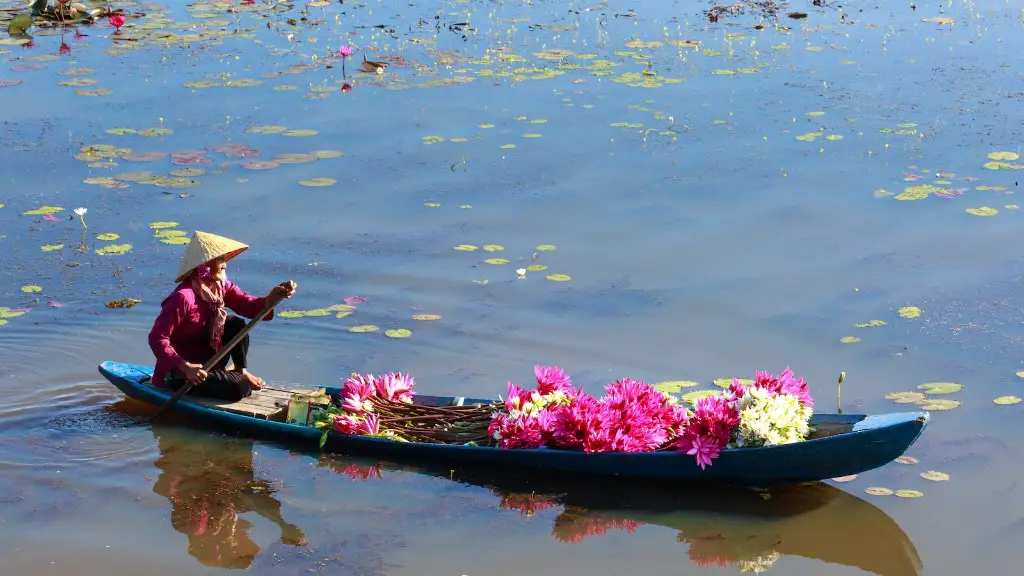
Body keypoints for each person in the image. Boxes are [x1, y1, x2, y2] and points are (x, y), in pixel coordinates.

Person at [148, 230, 297, 402]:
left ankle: (240, 370)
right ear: (203, 265)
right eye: (220, 259)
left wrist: (274, 296)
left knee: (236, 323)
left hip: (210, 363)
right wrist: (185, 368)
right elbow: (157, 338)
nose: (225, 265)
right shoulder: (183, 297)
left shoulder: (221, 287)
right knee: (240, 387)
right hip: (184, 375)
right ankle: (230, 377)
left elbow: (250, 306)